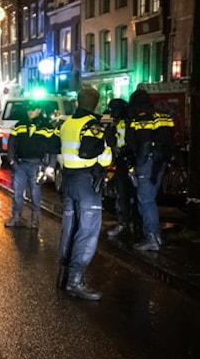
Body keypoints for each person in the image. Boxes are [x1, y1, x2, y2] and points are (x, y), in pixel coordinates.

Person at [56, 86, 112, 300]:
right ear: (96, 104)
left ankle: (64, 275)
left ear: (78, 102)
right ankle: (75, 281)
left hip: (68, 180)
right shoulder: (93, 125)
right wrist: (107, 147)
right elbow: (105, 159)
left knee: (69, 227)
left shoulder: (67, 123)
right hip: (87, 183)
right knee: (87, 231)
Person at [124, 87, 176, 252]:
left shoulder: (137, 119)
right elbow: (170, 140)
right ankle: (154, 235)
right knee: (150, 199)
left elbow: (132, 145)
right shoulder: (165, 116)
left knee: (146, 200)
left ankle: (152, 237)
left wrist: (132, 164)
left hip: (145, 162)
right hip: (161, 163)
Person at [4, 101, 59, 229]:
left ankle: (35, 219)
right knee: (17, 192)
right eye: (28, 109)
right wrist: (11, 159)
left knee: (35, 192)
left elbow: (53, 147)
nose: (30, 111)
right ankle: (16, 216)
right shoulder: (20, 125)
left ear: (39, 110)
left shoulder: (47, 126)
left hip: (37, 164)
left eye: (33, 109)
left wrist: (51, 165)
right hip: (21, 163)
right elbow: (11, 143)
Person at [103, 98, 135, 238]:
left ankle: (134, 225)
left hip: (131, 162)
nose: (112, 114)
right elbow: (110, 139)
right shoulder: (115, 123)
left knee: (132, 195)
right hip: (121, 163)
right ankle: (123, 223)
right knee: (121, 195)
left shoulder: (130, 122)